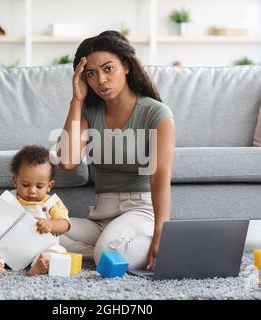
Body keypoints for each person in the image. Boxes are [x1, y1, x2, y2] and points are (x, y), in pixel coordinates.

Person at [58, 31, 175, 271]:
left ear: (126, 66)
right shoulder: (90, 111)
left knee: (108, 255)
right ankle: (111, 249)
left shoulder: (157, 114)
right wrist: (76, 101)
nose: (100, 80)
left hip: (140, 211)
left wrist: (161, 231)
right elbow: (68, 161)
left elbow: (160, 177)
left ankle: (110, 249)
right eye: (91, 73)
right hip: (101, 217)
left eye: (108, 69)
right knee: (36, 227)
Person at [0, 145, 71, 276]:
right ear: (15, 181)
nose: (32, 190)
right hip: (9, 248)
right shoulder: (9, 199)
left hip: (39, 249)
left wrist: (51, 225)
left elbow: (65, 224)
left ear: (49, 186)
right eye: (25, 185)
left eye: (39, 186)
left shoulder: (52, 203)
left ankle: (39, 266)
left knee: (57, 251)